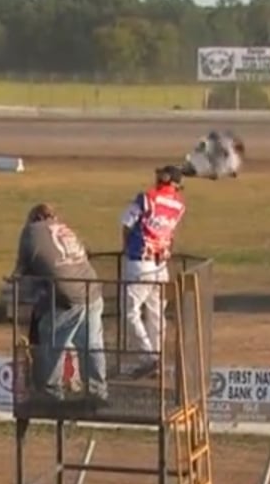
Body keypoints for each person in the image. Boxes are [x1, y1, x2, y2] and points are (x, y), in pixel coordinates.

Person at [14, 203, 107, 403]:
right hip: (92, 291)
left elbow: (21, 270)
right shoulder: (64, 228)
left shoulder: (31, 231)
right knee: (92, 344)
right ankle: (97, 392)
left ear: (34, 218)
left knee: (51, 341)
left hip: (67, 296)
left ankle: (51, 393)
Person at [118, 165, 188, 378]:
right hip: (161, 265)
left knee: (129, 312)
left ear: (165, 179)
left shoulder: (147, 197)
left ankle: (150, 358)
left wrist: (126, 246)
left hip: (140, 262)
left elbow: (126, 223)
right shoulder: (179, 205)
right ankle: (158, 359)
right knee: (156, 315)